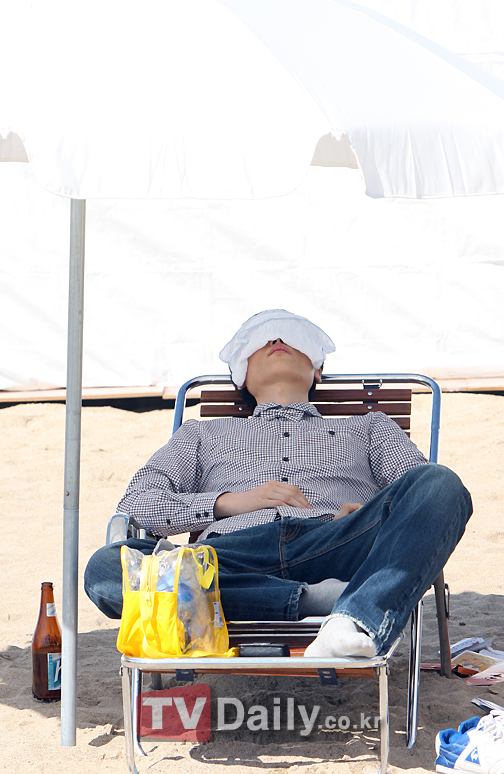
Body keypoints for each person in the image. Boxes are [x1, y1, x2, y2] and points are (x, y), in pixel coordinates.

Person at [84, 309, 472, 658]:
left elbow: (422, 495)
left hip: (334, 542)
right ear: (241, 375)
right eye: (261, 340)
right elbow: (137, 504)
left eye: (291, 337)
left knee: (441, 483)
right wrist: (228, 502)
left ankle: (345, 613)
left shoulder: (369, 426)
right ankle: (332, 605)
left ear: (317, 370)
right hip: (230, 556)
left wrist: (371, 513)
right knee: (106, 568)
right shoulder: (201, 434)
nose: (277, 340)